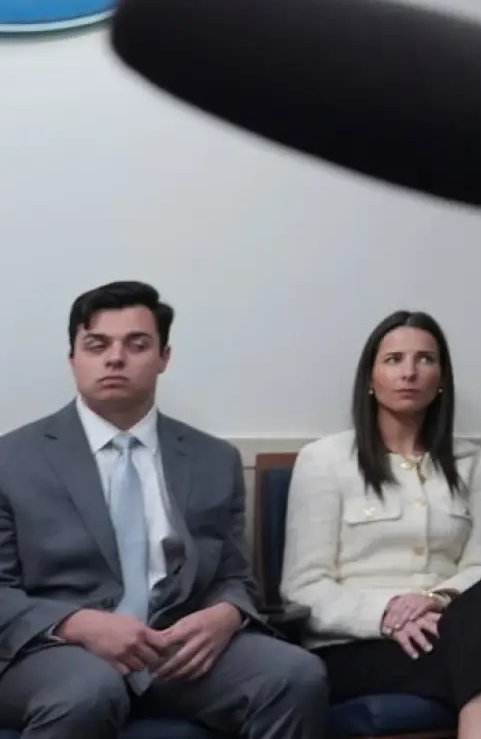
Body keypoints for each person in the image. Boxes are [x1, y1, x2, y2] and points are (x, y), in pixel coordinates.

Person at [0, 280, 330, 739]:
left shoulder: (214, 459)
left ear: (164, 357)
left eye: (136, 345)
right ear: (73, 358)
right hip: (55, 651)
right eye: (97, 345)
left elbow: (235, 576)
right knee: (88, 691)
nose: (115, 358)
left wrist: (227, 614)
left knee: (295, 675)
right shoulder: (12, 460)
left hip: (175, 650)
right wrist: (77, 625)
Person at [280, 310, 481, 739]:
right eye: (394, 360)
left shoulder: (468, 460)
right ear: (370, 378)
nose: (409, 372)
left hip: (453, 632)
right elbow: (304, 588)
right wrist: (387, 613)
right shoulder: (325, 460)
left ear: (441, 379)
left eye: (425, 359)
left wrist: (434, 599)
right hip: (359, 646)